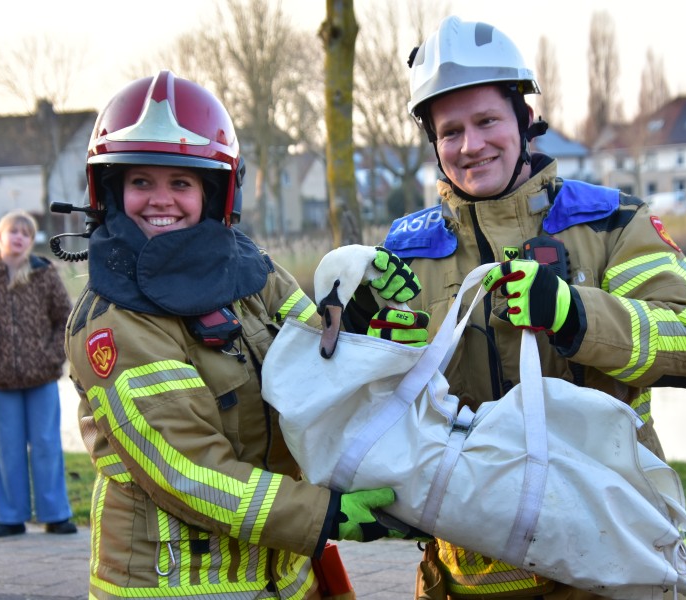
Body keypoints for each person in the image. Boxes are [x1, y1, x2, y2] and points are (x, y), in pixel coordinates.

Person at [363, 16, 686, 600]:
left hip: (614, 560)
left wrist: (576, 315)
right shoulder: (400, 255)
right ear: (433, 142)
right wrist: (380, 360)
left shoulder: (611, 223)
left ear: (524, 120)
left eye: (486, 121)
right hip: (468, 575)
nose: (471, 145)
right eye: (450, 131)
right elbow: (374, 415)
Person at [59, 70, 421, 600]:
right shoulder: (112, 322)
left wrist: (363, 314)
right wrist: (324, 515)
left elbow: (318, 361)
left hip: (284, 578)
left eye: (180, 183)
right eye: (142, 182)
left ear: (214, 192)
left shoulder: (252, 272)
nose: (161, 200)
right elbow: (186, 469)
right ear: (110, 190)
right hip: (176, 586)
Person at [0, 209, 77, 538]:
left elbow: (65, 322)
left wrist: (51, 356)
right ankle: (9, 517)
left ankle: (55, 514)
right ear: (0, 237)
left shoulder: (45, 276)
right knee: (7, 448)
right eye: (13, 231)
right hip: (3, 383)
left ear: (31, 240)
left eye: (26, 233)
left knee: (45, 444)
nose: (19, 237)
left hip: (42, 378)